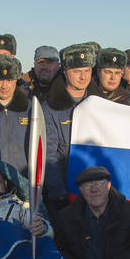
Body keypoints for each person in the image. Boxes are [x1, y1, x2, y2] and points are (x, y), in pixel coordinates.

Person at [43, 44, 100, 207]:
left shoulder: (100, 105)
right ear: (65, 72)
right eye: (77, 71)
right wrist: (60, 194)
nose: (83, 77)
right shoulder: (50, 108)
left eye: (87, 70)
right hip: (65, 194)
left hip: (97, 193)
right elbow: (49, 155)